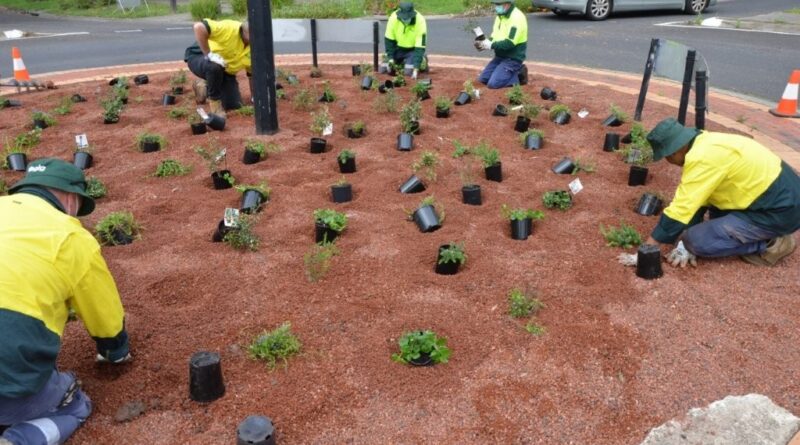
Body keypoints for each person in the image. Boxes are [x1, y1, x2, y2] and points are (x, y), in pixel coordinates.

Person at [0, 159, 131, 445]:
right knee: (74, 404)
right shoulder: (71, 236)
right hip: (8, 377)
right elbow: (105, 317)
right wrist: (116, 350)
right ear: (71, 198)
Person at [619, 118, 800, 268]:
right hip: (777, 194)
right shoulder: (705, 141)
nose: (668, 160)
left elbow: (681, 209)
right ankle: (759, 231)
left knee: (696, 241)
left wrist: (645, 251)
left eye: (667, 155)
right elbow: (697, 201)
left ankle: (771, 243)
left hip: (781, 209)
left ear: (677, 150)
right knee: (713, 216)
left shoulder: (702, 160)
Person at [185, 18, 251, 116]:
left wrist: (255, 98)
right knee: (214, 67)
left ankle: (204, 87)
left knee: (233, 104)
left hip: (226, 70)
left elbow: (252, 75)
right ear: (245, 31)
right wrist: (209, 55)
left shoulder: (256, 46)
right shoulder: (229, 28)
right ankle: (215, 105)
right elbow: (198, 27)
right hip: (201, 56)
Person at [474, 0, 528, 89]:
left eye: (498, 4)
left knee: (493, 84)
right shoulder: (500, 16)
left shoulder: (517, 18)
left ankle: (519, 74)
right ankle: (502, 72)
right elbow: (495, 35)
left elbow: (509, 43)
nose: (496, 6)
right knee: (483, 79)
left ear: (507, 4)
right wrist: (485, 43)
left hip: (513, 58)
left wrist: (491, 45)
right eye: (495, 4)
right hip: (500, 57)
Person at [384, 2, 427, 80]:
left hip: (412, 50)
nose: (405, 20)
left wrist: (416, 69)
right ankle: (401, 62)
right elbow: (389, 40)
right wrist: (390, 59)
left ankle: (422, 59)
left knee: (408, 72)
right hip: (398, 49)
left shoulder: (420, 21)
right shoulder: (393, 18)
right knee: (384, 69)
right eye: (404, 18)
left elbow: (420, 46)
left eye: (407, 18)